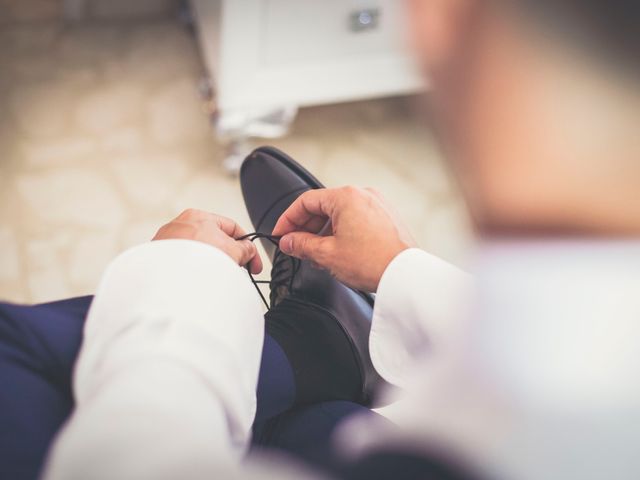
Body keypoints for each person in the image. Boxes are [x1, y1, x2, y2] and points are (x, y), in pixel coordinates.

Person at [1, 0, 639, 478]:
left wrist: (183, 275)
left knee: (16, 353)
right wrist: (399, 271)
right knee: (318, 426)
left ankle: (313, 349)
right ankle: (321, 354)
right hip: (346, 438)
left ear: (439, 22)